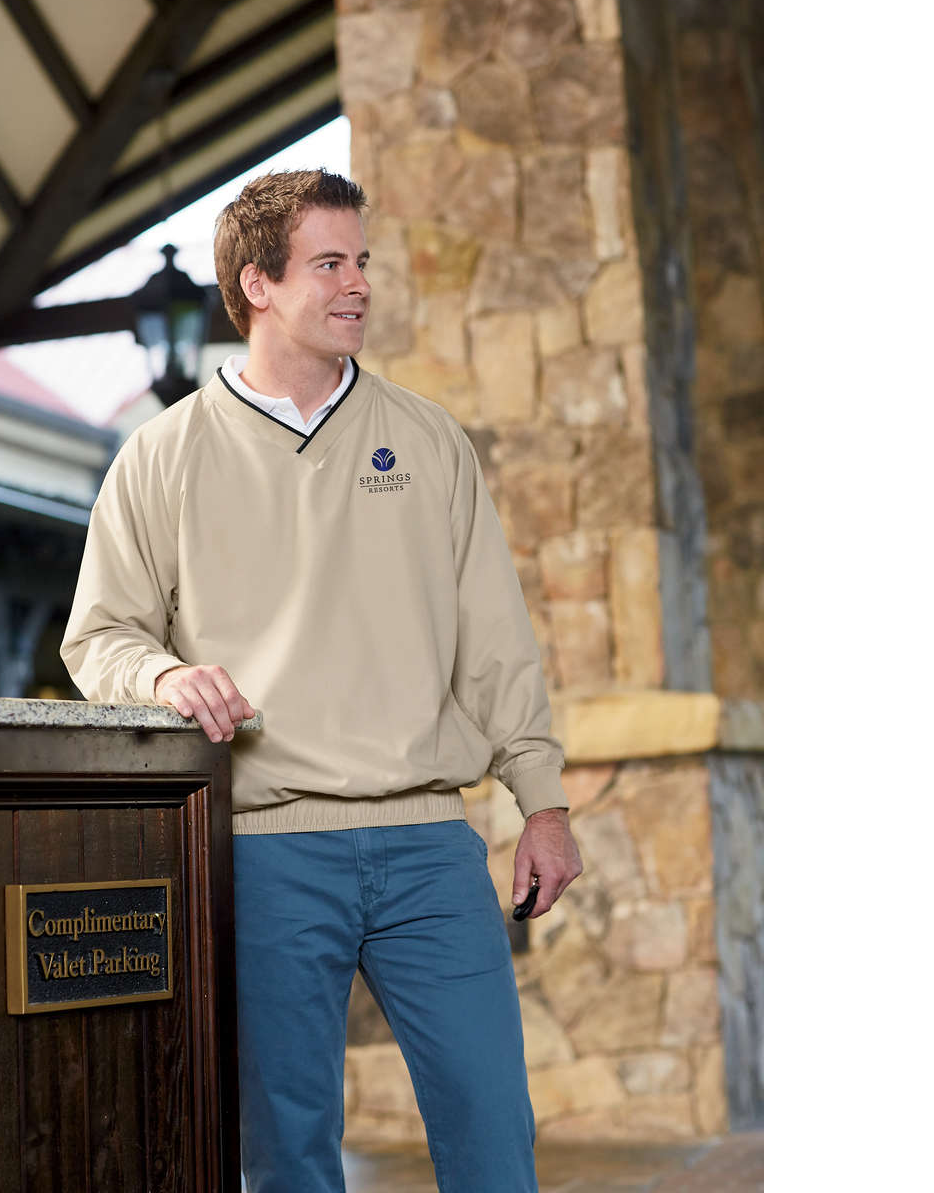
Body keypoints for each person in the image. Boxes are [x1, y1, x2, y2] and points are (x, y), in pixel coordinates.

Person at [61, 169, 583, 1193]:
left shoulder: (429, 441)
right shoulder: (161, 458)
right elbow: (102, 639)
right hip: (265, 852)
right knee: (286, 1158)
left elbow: (496, 641)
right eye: (330, 264)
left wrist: (544, 802)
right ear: (257, 284)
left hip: (430, 845)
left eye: (363, 262)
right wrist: (165, 675)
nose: (359, 284)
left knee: (494, 1133)